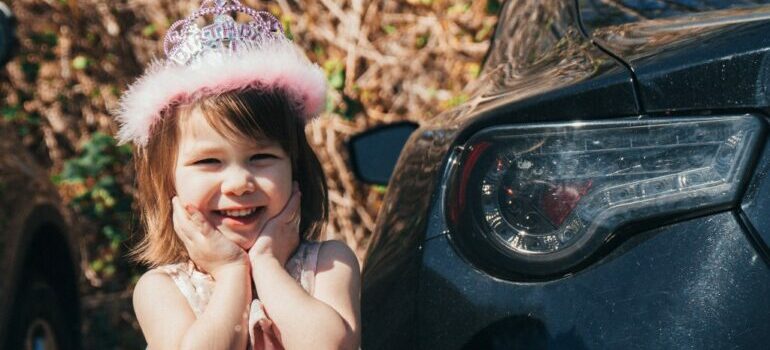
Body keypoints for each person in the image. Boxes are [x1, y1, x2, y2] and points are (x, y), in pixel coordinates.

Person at [115, 1, 361, 349]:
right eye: (209, 162)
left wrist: (267, 264)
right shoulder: (163, 289)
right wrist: (231, 272)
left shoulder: (329, 265)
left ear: (296, 168)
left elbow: (330, 345)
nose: (238, 183)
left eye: (261, 157)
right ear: (168, 181)